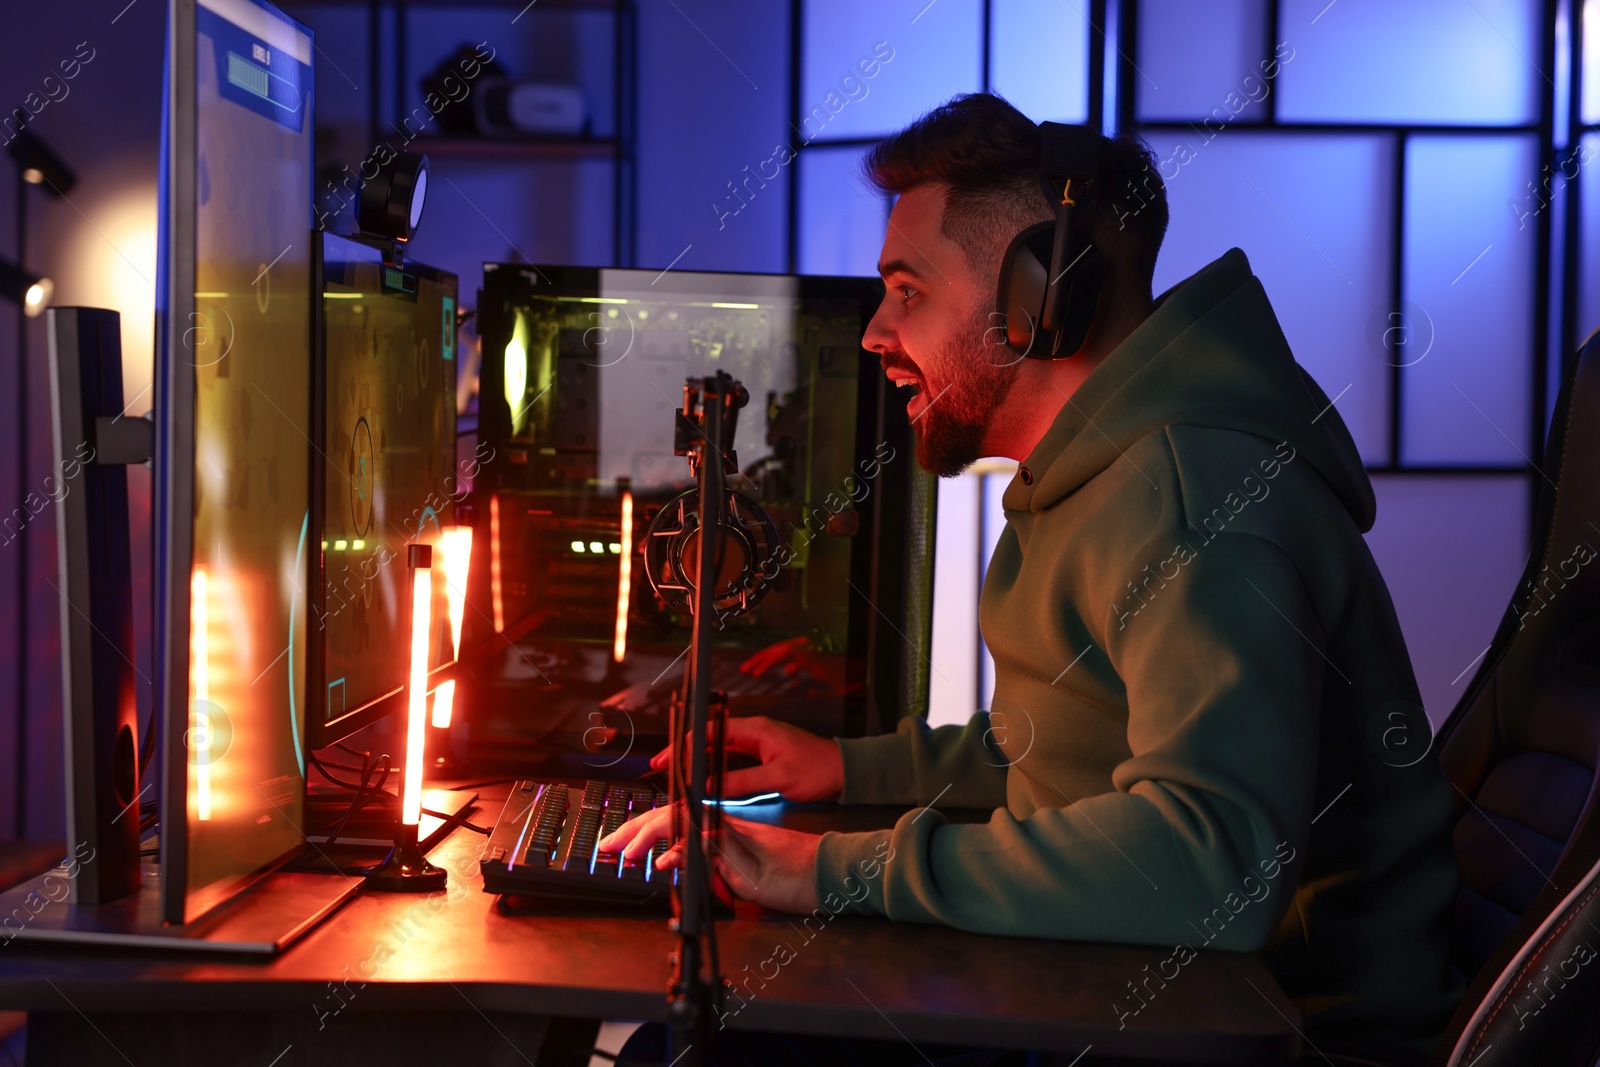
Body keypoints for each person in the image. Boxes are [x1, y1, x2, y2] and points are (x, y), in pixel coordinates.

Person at [602, 92, 1462, 1062]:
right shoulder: (1092, 474)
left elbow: (1209, 859)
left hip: (1270, 1028)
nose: (874, 334)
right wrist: (844, 769)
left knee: (693, 1046)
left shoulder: (1190, 495)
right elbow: (1056, 748)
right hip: (1145, 995)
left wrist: (835, 869)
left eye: (908, 291)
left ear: (1040, 299)